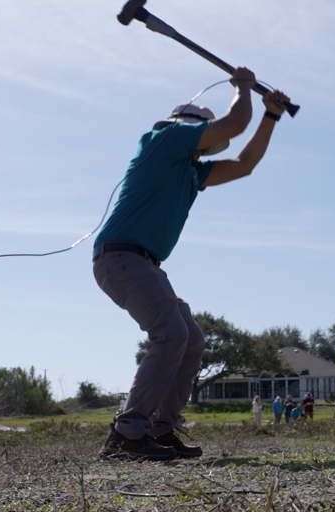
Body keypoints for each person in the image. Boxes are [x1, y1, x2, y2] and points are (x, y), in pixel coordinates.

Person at [94, 68, 292, 461]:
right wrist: (243, 89)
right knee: (170, 333)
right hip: (121, 256)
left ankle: (160, 429)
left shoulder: (191, 171)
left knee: (190, 338)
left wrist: (270, 116)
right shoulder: (163, 139)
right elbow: (235, 124)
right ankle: (127, 434)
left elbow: (245, 162)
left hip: (142, 262)